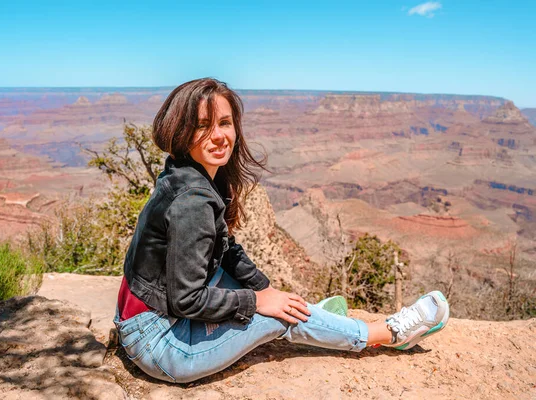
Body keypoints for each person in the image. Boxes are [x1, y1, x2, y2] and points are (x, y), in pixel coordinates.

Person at [114, 78, 449, 383]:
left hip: (148, 312)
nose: (219, 136)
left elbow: (225, 249)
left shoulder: (189, 174)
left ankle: (316, 317)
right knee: (278, 318)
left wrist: (267, 290)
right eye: (203, 126)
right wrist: (259, 301)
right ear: (182, 132)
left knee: (273, 301)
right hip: (161, 343)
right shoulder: (193, 201)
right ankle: (387, 333)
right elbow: (186, 298)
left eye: (225, 123)